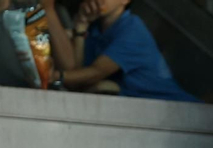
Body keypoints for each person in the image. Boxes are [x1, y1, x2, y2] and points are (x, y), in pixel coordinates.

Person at [42, 0, 195, 100]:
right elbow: (76, 77)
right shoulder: (95, 30)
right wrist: (81, 26)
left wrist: (55, 76)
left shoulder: (132, 28)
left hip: (180, 112)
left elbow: (96, 72)